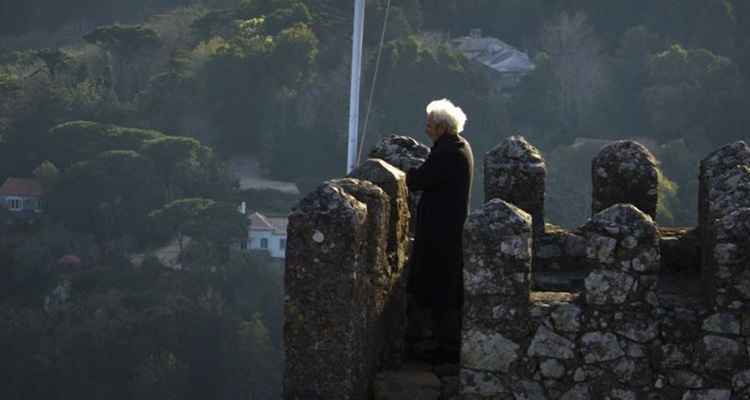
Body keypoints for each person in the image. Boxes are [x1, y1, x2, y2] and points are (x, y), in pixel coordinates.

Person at [406, 98, 474, 361]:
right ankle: (441, 343)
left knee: (439, 289)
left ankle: (443, 348)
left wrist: (404, 174)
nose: (426, 130)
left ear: (442, 128)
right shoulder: (459, 147)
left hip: (440, 235)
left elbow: (421, 179)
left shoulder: (447, 152)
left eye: (430, 125)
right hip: (447, 230)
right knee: (443, 286)